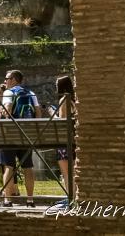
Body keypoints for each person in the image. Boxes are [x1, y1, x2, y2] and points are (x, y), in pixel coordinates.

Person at [0, 69, 41, 207]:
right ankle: (30, 200)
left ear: (14, 79)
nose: (5, 81)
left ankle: (8, 200)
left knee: (9, 167)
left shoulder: (8, 92)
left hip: (10, 134)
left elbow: (8, 109)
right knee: (28, 167)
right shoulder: (31, 93)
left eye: (7, 78)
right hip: (26, 134)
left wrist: (2, 113)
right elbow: (38, 113)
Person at [52, 75, 75, 206]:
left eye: (57, 85)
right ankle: (73, 197)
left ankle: (69, 199)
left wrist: (52, 114)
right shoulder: (73, 100)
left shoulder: (63, 100)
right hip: (73, 141)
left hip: (63, 141)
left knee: (66, 173)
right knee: (73, 172)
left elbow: (61, 121)